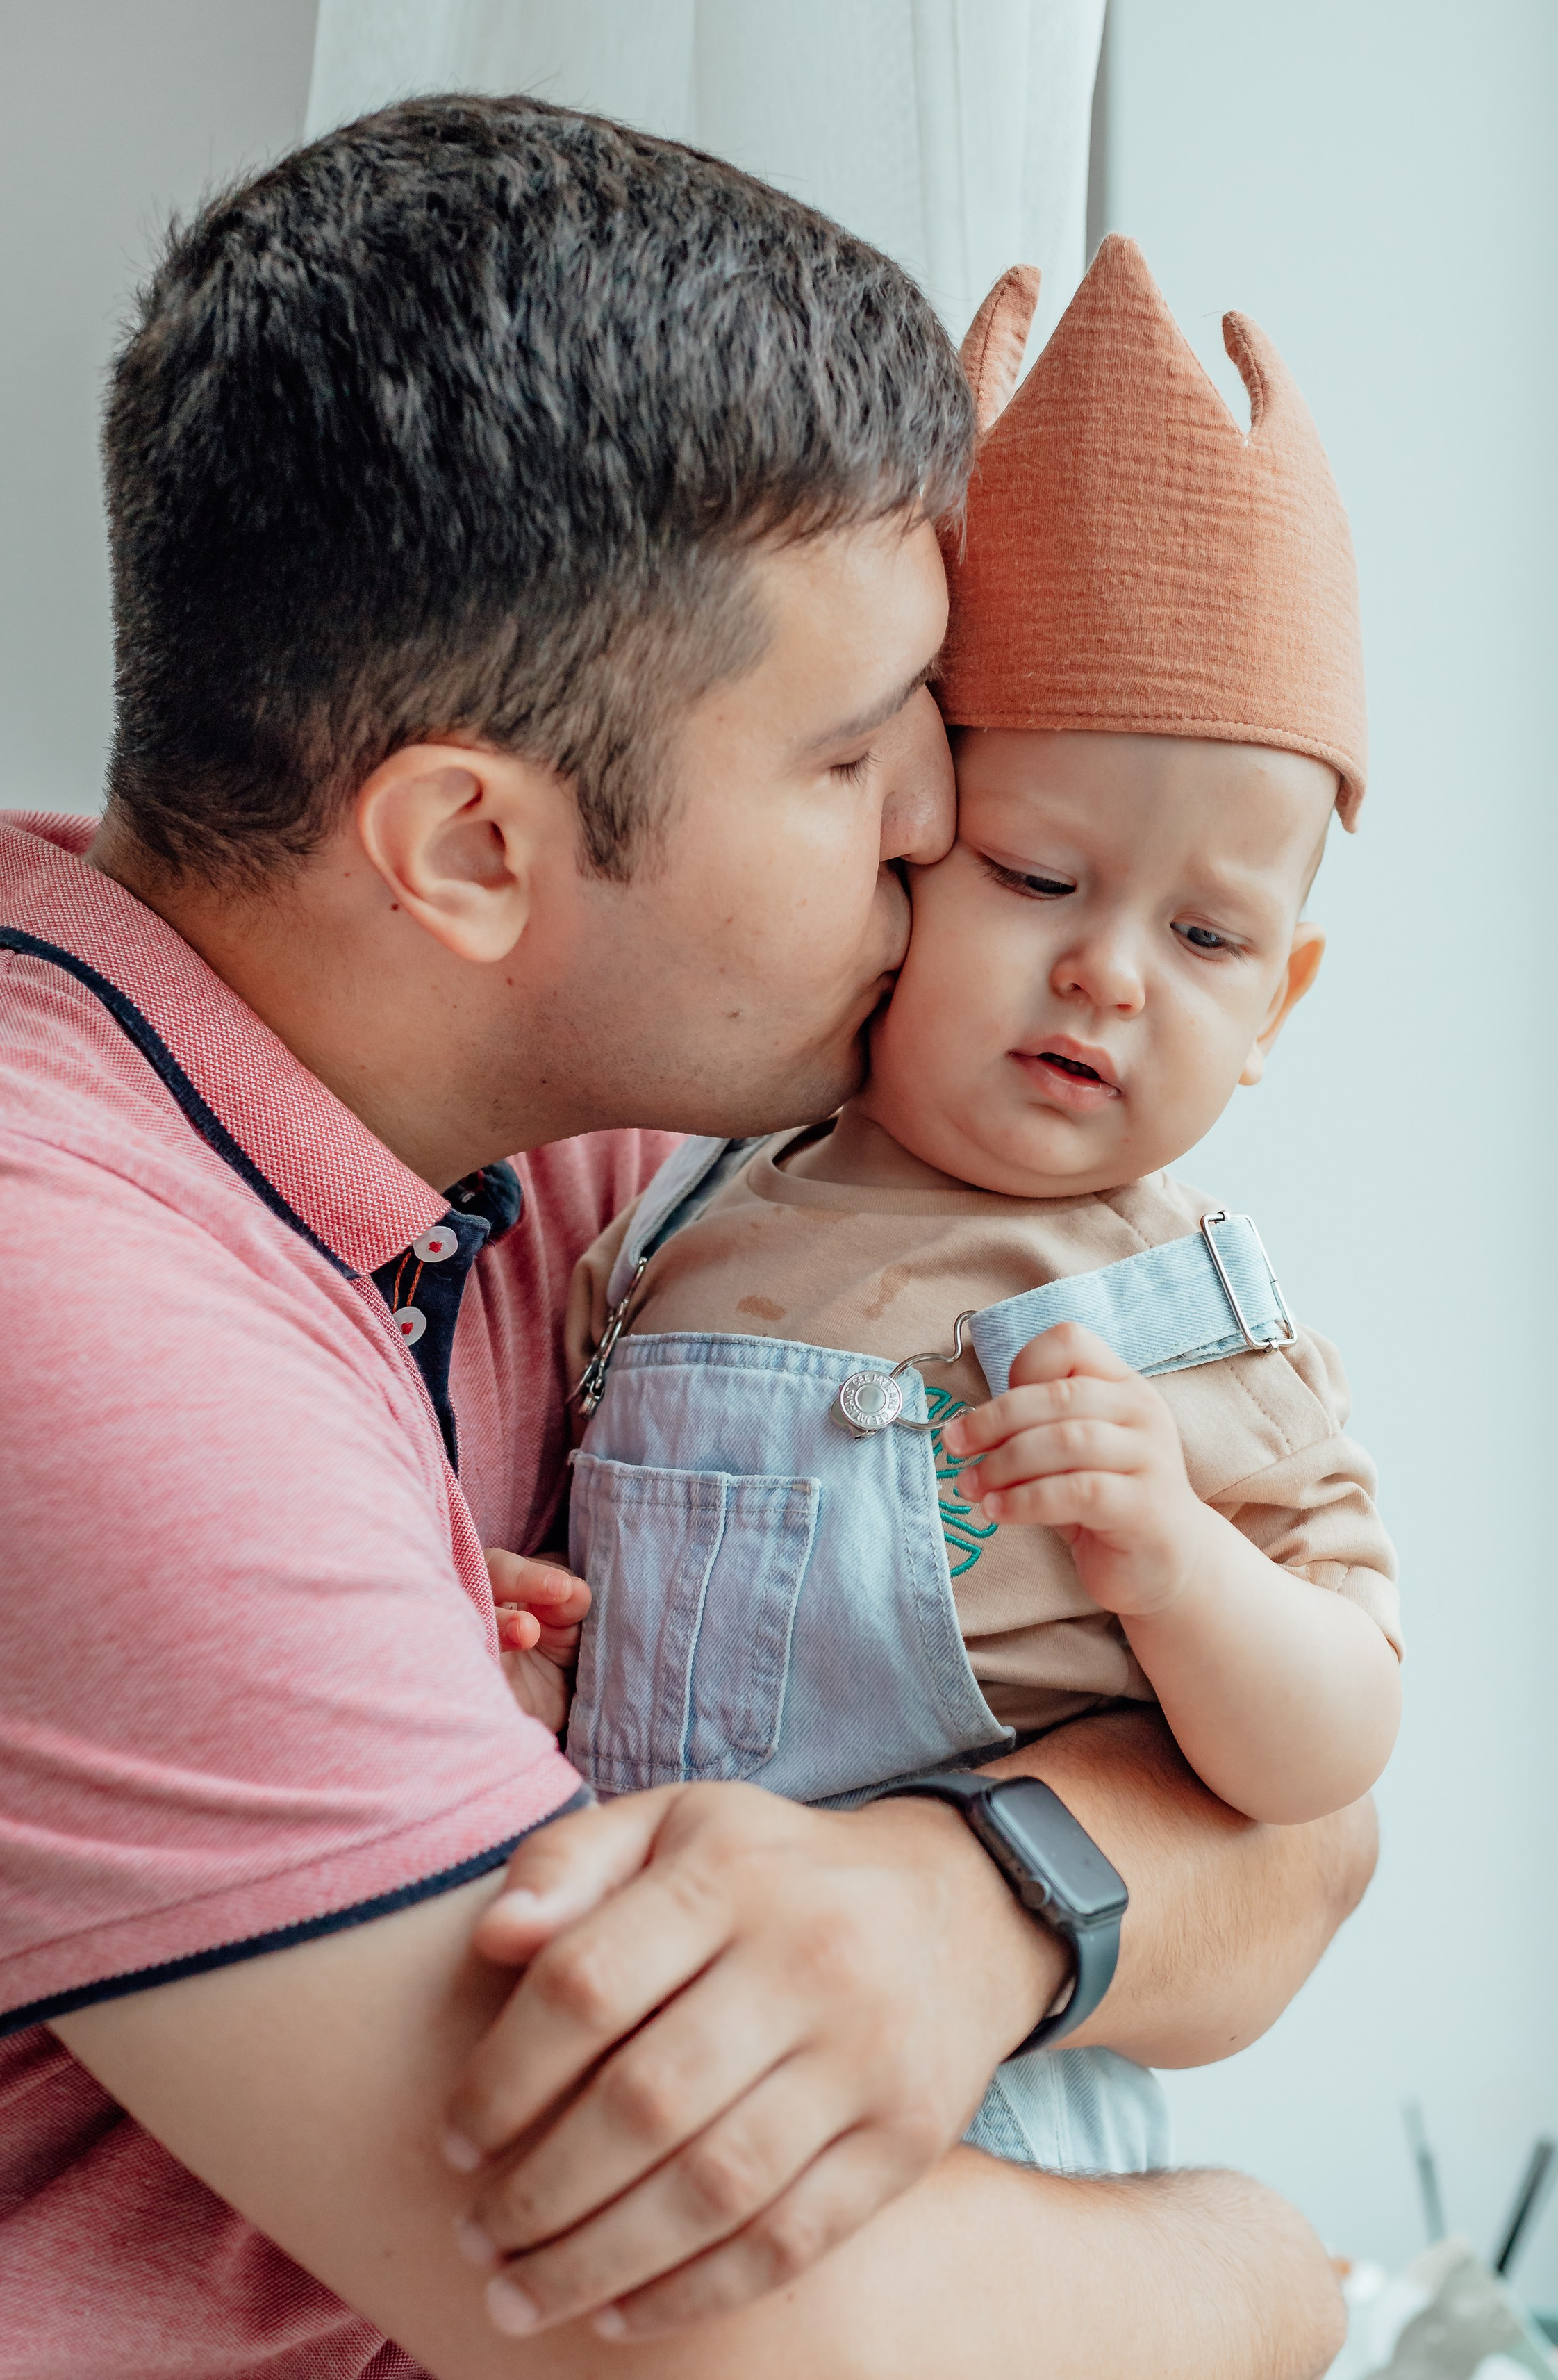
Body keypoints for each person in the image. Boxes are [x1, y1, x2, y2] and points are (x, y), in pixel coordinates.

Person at [0, 99, 1368, 2380]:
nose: (945, 817)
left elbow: (1302, 1809)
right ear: (476, 849)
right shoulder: (64, 1307)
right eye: (857, 752)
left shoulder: (612, 1155)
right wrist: (1279, 2295)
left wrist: (961, 1905)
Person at [453, 239, 1400, 2237]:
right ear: (898, 855)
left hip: (982, 2116)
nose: (1109, 973)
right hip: (636, 2003)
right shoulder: (692, 1207)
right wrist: (555, 1652)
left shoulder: (1194, 1329)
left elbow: (1334, 1747)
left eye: (1207, 935)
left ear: (1288, 1002)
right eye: (1038, 872)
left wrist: (1175, 1563)